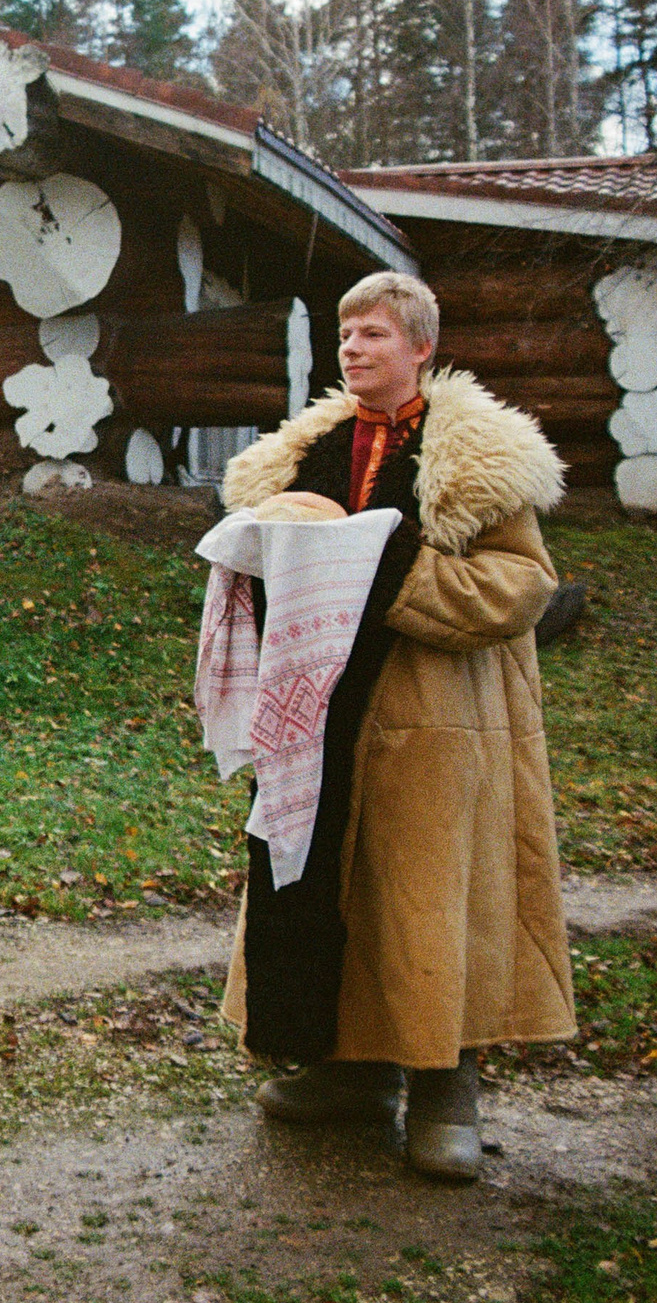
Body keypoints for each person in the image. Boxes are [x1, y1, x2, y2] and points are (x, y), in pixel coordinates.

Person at [216, 270, 575, 1182]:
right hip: (319, 713)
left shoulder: (477, 460)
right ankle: (349, 1070)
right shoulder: (307, 454)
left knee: (429, 898)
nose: (353, 348)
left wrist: (393, 571)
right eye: (345, 334)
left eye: (373, 333)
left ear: (420, 347)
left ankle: (446, 1091)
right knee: (329, 885)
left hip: (435, 720)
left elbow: (521, 587)